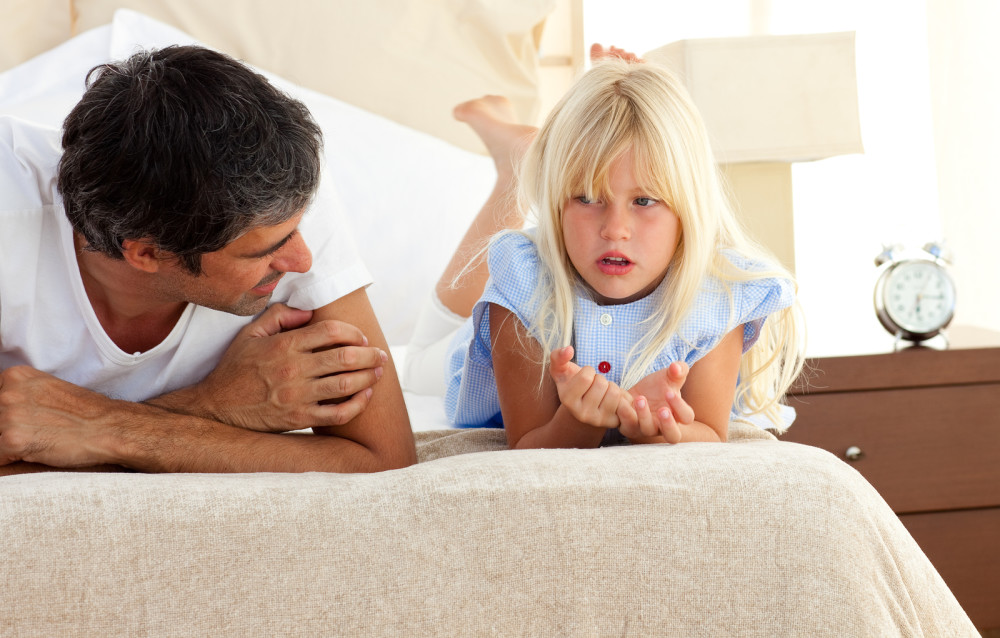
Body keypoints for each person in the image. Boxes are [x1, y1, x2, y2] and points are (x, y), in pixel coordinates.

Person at [0, 45, 417, 475]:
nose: (302, 260)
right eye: (263, 252)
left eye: (295, 231)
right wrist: (212, 406)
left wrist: (112, 428)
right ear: (146, 253)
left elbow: (383, 464)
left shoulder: (278, 194)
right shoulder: (9, 216)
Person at [403, 53, 806, 449]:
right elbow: (528, 442)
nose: (615, 230)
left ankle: (551, 143)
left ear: (688, 209)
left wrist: (651, 426)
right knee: (414, 363)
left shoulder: (718, 295)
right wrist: (579, 422)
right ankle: (519, 164)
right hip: (478, 345)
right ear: (557, 201)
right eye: (587, 197)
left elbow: (709, 433)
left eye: (644, 201)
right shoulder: (524, 283)